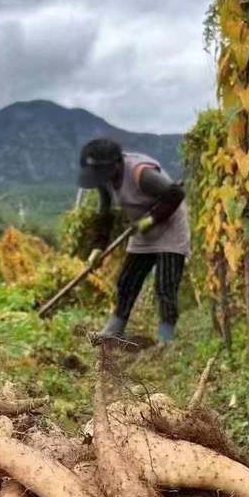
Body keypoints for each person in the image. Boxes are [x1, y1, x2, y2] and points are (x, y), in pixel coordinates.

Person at [78, 138, 189, 343]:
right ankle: (114, 331)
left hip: (169, 228)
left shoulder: (141, 173)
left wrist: (151, 220)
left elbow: (176, 193)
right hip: (142, 231)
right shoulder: (106, 180)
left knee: (165, 286)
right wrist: (97, 247)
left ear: (115, 165)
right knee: (127, 281)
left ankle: (166, 339)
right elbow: (105, 214)